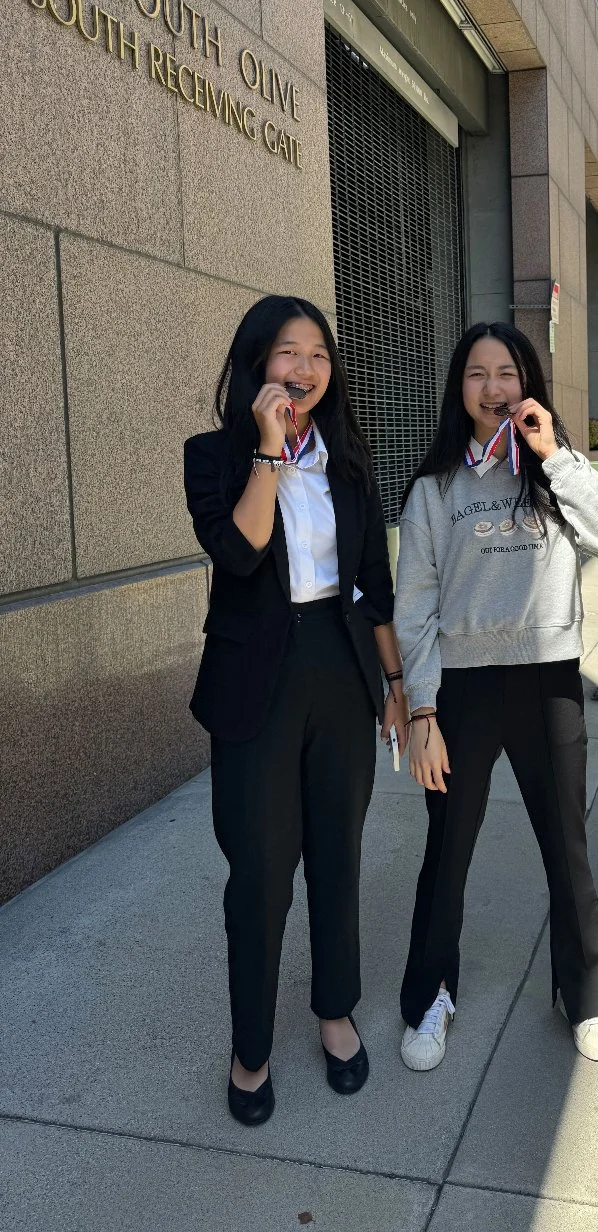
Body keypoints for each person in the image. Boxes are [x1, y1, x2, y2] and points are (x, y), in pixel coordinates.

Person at [184, 296, 406, 1126]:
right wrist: (269, 455)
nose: (306, 368)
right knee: (261, 877)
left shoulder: (349, 463)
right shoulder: (212, 458)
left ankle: (335, 1011)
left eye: (319, 353)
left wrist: (396, 687)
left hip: (339, 672)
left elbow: (373, 586)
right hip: (257, 687)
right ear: (257, 364)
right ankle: (251, 1048)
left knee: (338, 857)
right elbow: (240, 555)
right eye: (288, 352)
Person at [394, 322, 598, 1072]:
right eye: (476, 374)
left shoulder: (554, 473)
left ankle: (585, 995)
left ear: (526, 384)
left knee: (567, 846)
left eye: (507, 374)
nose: (493, 388)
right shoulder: (435, 489)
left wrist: (555, 454)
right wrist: (423, 711)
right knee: (448, 852)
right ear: (457, 389)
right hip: (462, 690)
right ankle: (431, 994)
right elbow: (415, 605)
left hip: (548, 680)